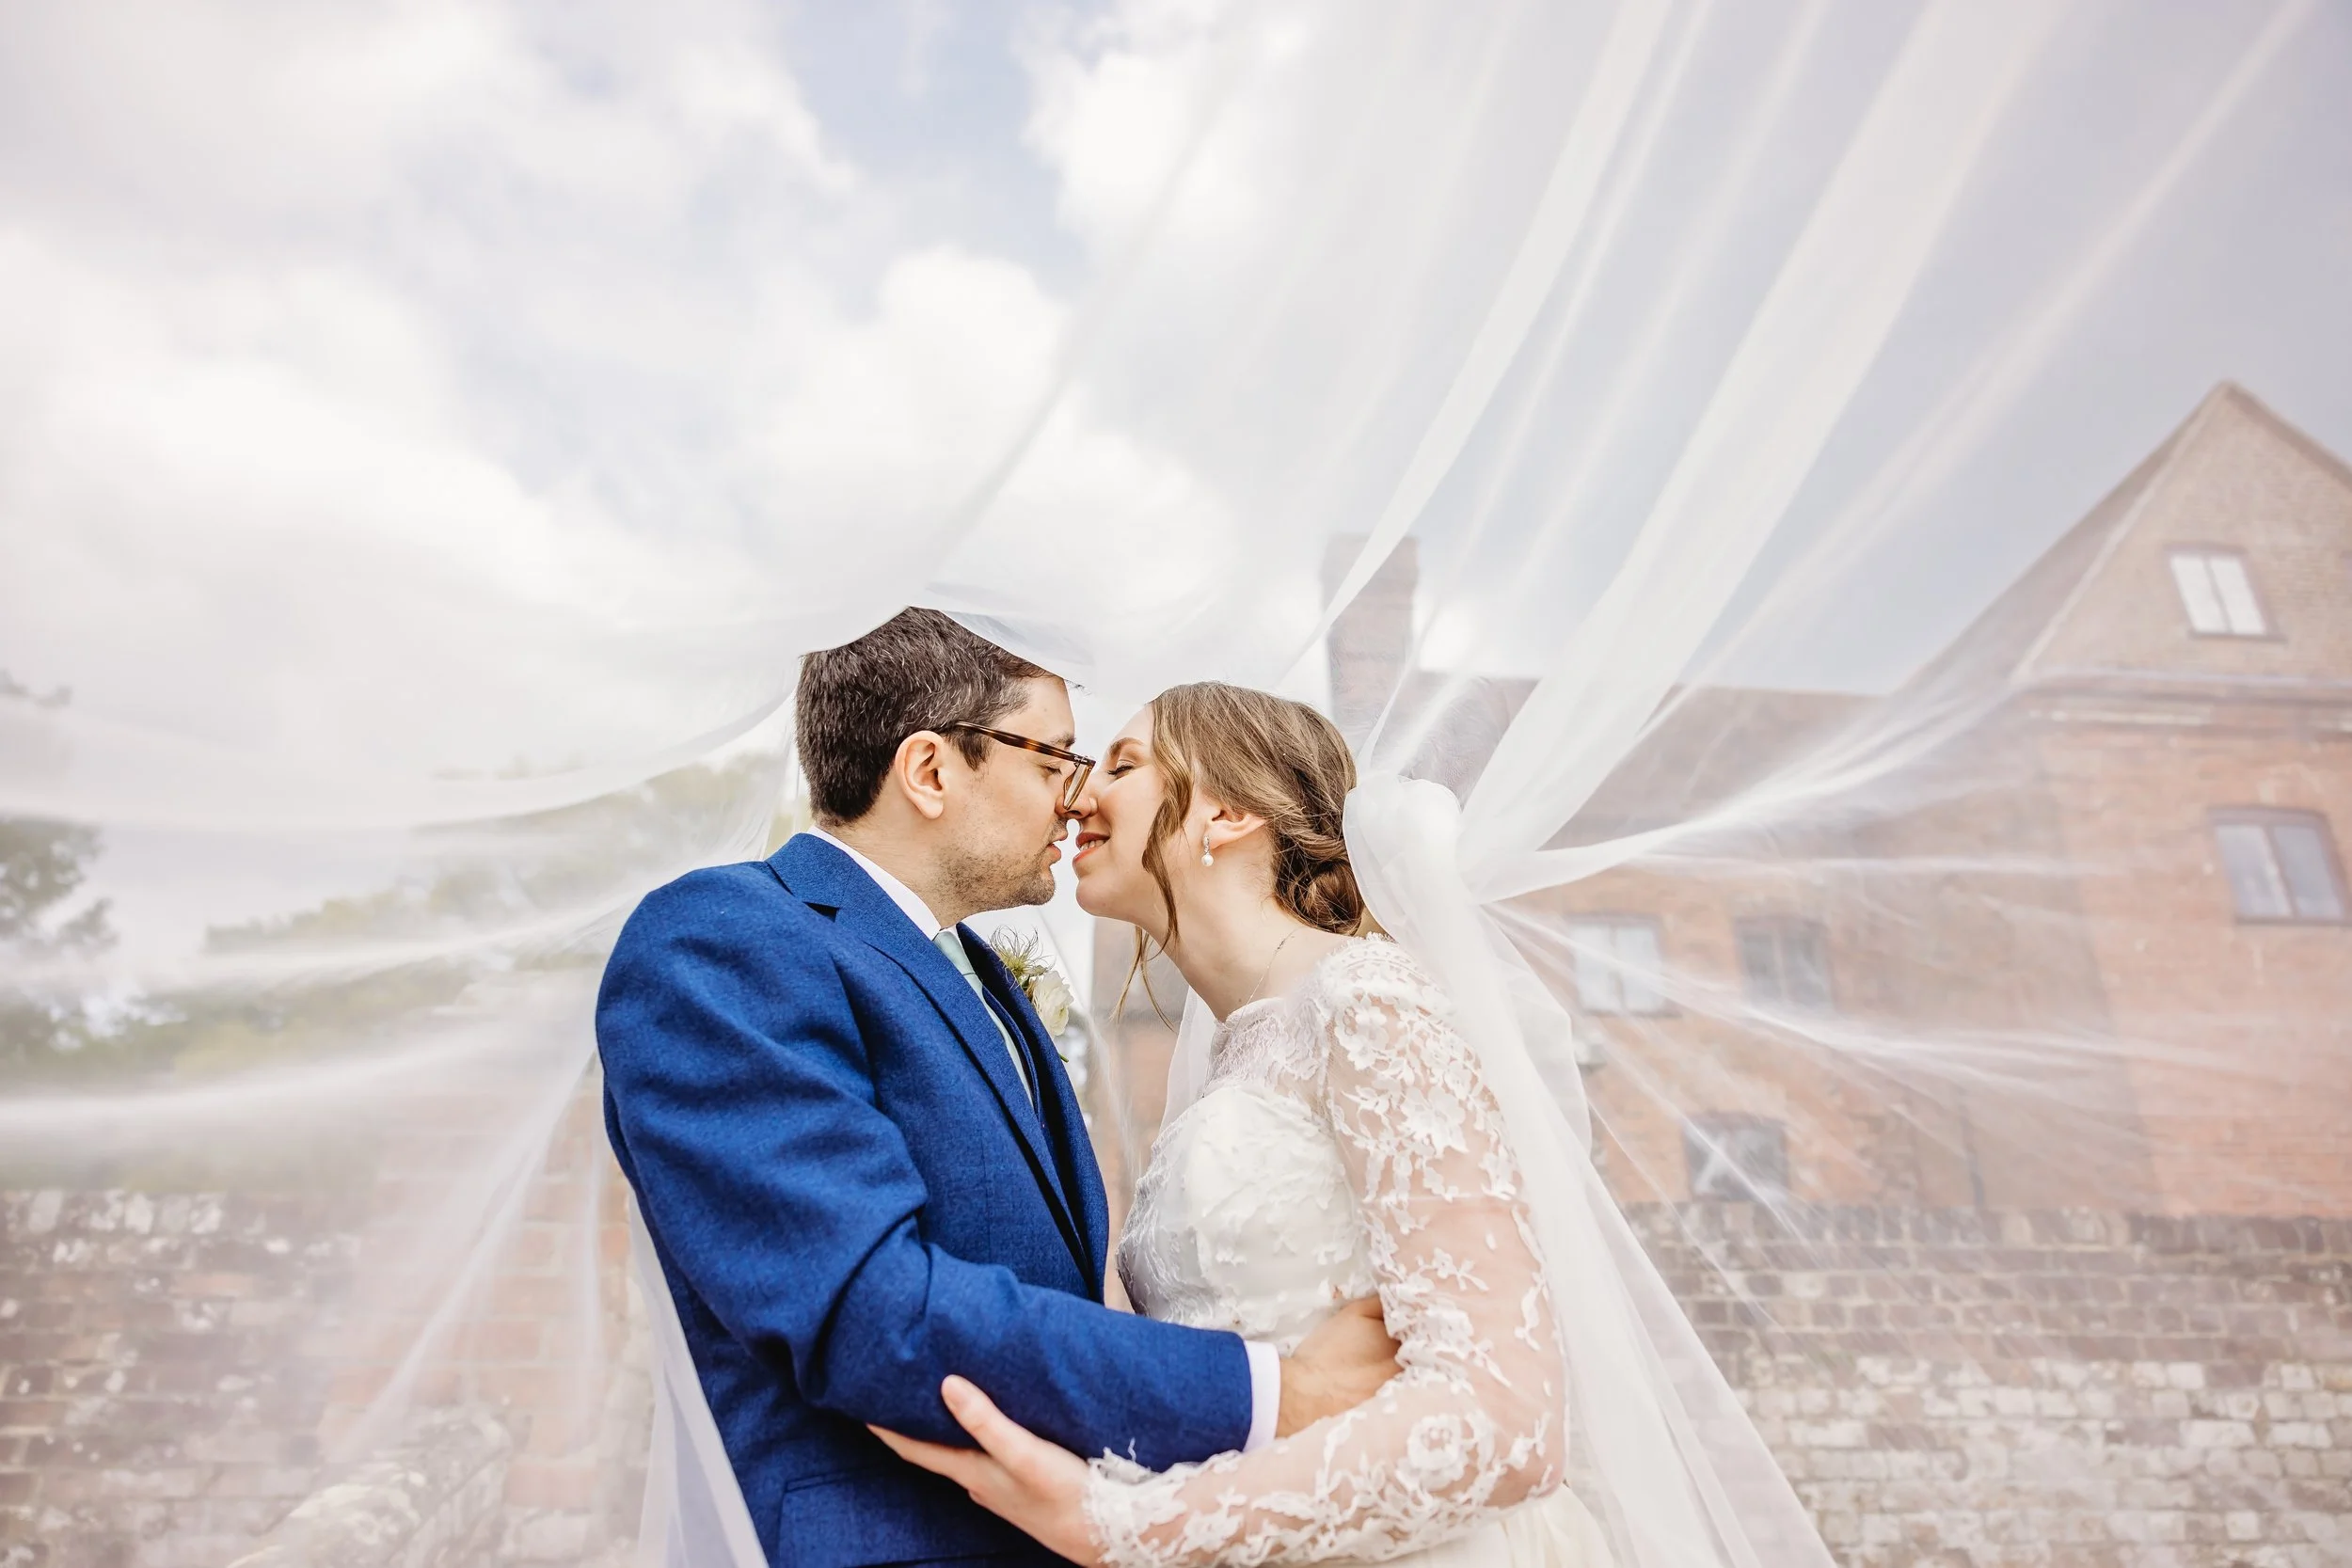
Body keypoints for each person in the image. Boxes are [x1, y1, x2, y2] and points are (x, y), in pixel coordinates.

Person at [596, 613, 1402, 1568]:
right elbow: (870, 1308)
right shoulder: (724, 939)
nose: (1075, 799)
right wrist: (1274, 1392)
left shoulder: (980, 976)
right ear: (930, 770)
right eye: (1053, 755)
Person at [878, 681, 1613, 1568]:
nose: (1078, 793)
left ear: (1225, 812)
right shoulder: (1242, 1052)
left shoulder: (1370, 1002)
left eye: (1123, 764)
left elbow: (1506, 1418)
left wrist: (1126, 1528)